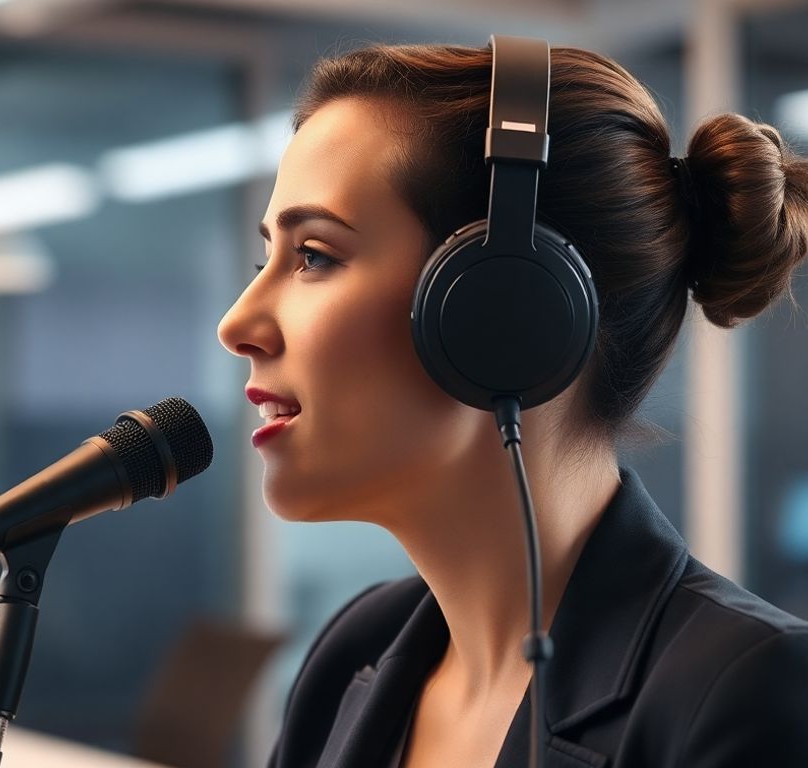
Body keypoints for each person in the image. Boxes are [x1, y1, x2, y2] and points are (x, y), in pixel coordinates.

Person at [217, 41, 808, 767]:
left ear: (504, 304)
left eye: (314, 256)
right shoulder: (356, 650)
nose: (236, 324)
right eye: (263, 261)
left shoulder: (747, 690)